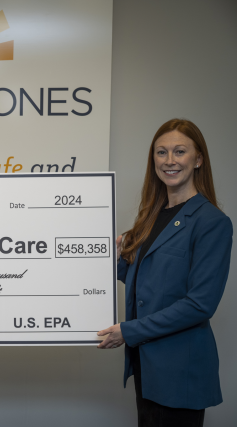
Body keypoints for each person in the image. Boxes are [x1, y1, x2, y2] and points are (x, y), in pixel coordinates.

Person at [97, 119, 232, 426]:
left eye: (179, 151)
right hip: (148, 365)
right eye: (161, 152)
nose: (169, 160)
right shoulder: (151, 217)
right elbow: (146, 282)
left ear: (198, 160)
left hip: (180, 370)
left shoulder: (211, 222)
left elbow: (200, 304)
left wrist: (128, 331)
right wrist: (114, 260)